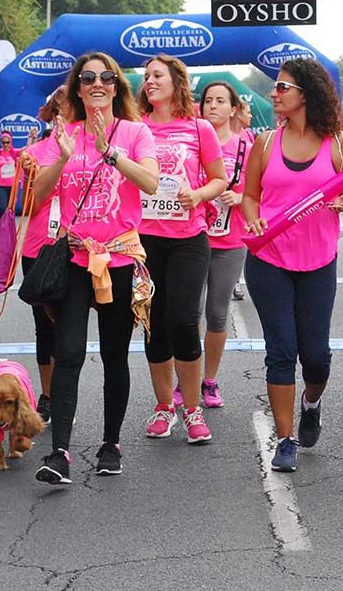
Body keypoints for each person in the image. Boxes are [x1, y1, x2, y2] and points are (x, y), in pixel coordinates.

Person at [31, 52, 158, 483]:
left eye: (107, 77)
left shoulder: (137, 132)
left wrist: (110, 152)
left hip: (119, 258)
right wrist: (64, 158)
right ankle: (60, 453)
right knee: (66, 353)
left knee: (113, 355)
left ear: (117, 86)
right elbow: (37, 196)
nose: (97, 83)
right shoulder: (63, 133)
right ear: (78, 87)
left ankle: (110, 443)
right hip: (74, 257)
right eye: (88, 78)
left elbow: (151, 183)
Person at [242, 58, 343, 472]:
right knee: (281, 351)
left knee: (316, 358)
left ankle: (312, 403)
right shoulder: (265, 144)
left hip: (317, 261)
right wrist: (252, 216)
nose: (274, 94)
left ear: (305, 94)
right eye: (275, 87)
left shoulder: (337, 144)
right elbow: (250, 195)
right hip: (268, 259)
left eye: (282, 87)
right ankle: (285, 439)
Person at [138, 54, 226, 444]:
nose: (150, 81)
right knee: (154, 324)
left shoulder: (198, 127)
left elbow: (220, 180)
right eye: (146, 77)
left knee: (184, 321)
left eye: (157, 75)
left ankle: (191, 409)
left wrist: (198, 194)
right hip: (144, 240)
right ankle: (163, 406)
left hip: (189, 238)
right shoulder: (135, 128)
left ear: (177, 81)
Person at [198, 81, 254, 408]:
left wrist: (241, 195)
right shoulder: (193, 143)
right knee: (189, 315)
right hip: (193, 237)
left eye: (221, 101)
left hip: (231, 239)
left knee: (217, 314)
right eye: (208, 101)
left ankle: (210, 380)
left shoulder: (246, 145)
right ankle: (185, 380)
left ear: (233, 108)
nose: (213, 106)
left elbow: (262, 188)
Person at [18, 86, 68, 423]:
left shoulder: (96, 147)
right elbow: (31, 206)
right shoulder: (34, 152)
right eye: (63, 108)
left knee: (71, 326)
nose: (69, 115)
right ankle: (49, 396)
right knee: (44, 328)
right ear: (53, 112)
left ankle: (66, 394)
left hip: (80, 248)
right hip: (40, 248)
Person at [231, 100, 255, 302]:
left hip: (238, 212)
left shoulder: (248, 139)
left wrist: (241, 197)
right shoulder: (209, 136)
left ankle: (235, 280)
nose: (251, 116)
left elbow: (258, 180)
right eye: (248, 112)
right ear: (236, 112)